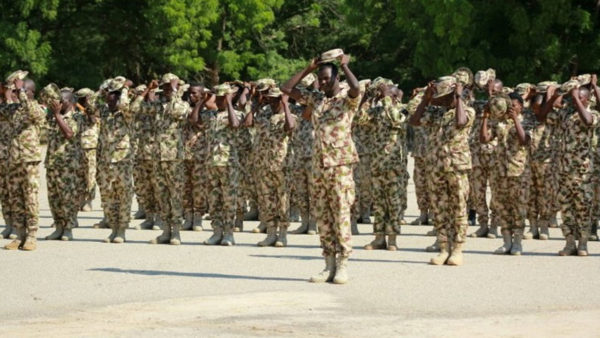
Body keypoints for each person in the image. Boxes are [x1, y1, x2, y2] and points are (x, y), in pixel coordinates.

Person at [282, 51, 361, 284]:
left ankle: (343, 264)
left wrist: (345, 66)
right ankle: (328, 264)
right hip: (319, 165)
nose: (324, 82)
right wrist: (308, 69)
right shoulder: (316, 99)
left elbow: (356, 89)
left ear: (337, 78)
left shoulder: (347, 98)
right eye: (321, 79)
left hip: (340, 165)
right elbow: (286, 89)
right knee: (323, 217)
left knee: (341, 214)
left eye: (328, 78)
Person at [409, 75, 474, 266]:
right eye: (441, 98)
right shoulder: (436, 113)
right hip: (436, 167)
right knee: (439, 209)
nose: (443, 101)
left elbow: (461, 122)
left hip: (456, 167)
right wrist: (426, 99)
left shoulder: (467, 110)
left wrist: (459, 98)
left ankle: (457, 249)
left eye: (447, 97)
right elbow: (414, 120)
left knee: (458, 209)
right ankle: (444, 248)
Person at [539, 80, 599, 256]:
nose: (575, 101)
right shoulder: (565, 114)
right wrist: (554, 96)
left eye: (580, 98)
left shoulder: (593, 113)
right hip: (564, 171)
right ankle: (569, 242)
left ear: (587, 99)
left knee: (583, 209)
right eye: (574, 98)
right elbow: (543, 115)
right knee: (566, 209)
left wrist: (576, 98)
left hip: (583, 172)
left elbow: (587, 121)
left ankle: (583, 243)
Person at [135, 74, 189, 245]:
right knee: (162, 195)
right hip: (157, 157)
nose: (166, 90)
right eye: (164, 87)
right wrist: (148, 91)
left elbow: (177, 111)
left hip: (174, 158)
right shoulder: (157, 106)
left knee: (176, 196)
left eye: (169, 87)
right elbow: (135, 108)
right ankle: (166, 231)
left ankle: (176, 233)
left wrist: (175, 91)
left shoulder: (182, 104)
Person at [357, 80, 407, 251]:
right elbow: (359, 119)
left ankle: (392, 239)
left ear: (394, 97)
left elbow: (396, 119)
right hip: (377, 163)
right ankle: (379, 238)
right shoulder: (377, 111)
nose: (384, 96)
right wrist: (366, 97)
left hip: (394, 164)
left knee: (393, 202)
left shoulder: (401, 109)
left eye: (389, 94)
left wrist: (386, 98)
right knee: (378, 203)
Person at [244, 86, 297, 247]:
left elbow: (291, 127)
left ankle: (282, 234)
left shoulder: (289, 115)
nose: (273, 102)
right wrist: (256, 105)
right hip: (263, 165)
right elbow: (248, 123)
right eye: (270, 99)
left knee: (282, 201)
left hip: (281, 166)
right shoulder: (264, 115)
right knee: (266, 200)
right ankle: (271, 234)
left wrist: (286, 105)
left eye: (276, 99)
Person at [480, 93, 530, 255]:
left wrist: (515, 119)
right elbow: (484, 138)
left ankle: (517, 242)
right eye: (509, 105)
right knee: (502, 207)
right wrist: (485, 118)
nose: (511, 108)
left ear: (521, 106)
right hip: (499, 171)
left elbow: (524, 140)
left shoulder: (526, 120)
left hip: (518, 171)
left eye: (514, 105)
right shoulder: (498, 123)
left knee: (518, 207)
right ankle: (506, 241)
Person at [3, 72, 45, 251]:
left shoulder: (36, 108)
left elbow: (34, 114)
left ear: (30, 92)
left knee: (30, 198)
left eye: (21, 90)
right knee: (16, 199)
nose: (16, 93)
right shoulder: (12, 109)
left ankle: (32, 236)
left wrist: (20, 92)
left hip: (29, 160)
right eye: (15, 90)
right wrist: (7, 91)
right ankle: (19, 235)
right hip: (13, 160)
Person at [195, 84, 241, 246]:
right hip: (211, 163)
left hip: (229, 164)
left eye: (223, 97)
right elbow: (194, 120)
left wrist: (229, 103)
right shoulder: (211, 115)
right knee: (214, 200)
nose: (220, 101)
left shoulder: (236, 114)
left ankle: (229, 233)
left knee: (229, 200)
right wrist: (201, 102)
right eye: (219, 98)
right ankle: (217, 232)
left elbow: (235, 125)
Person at [94, 77, 134, 243]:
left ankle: (121, 230)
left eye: (114, 94)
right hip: (105, 161)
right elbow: (91, 103)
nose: (111, 97)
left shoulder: (126, 113)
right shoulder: (104, 111)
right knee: (107, 196)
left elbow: (124, 104)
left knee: (123, 196)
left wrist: (124, 89)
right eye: (110, 94)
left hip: (121, 162)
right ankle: (113, 228)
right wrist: (104, 86)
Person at [43, 86, 84, 241]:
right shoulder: (53, 117)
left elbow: (69, 133)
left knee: (68, 198)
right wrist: (53, 114)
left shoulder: (77, 117)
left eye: (63, 100)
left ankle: (68, 229)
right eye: (58, 100)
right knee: (54, 199)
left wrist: (57, 116)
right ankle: (58, 227)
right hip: (53, 163)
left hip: (68, 165)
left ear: (71, 101)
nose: (59, 103)